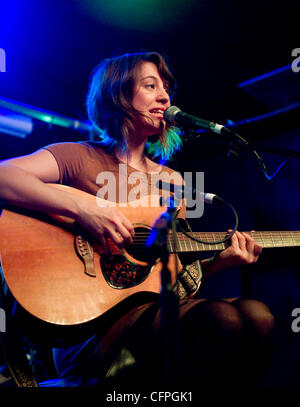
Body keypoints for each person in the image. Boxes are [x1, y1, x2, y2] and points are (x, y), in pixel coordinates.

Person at [0, 51, 275, 389]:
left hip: (153, 314)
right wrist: (84, 210)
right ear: (118, 94)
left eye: (166, 89)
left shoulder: (173, 182)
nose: (165, 97)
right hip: (92, 328)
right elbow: (4, 176)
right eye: (150, 86)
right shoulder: (77, 157)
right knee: (221, 320)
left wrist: (217, 263)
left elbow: (166, 278)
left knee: (258, 318)